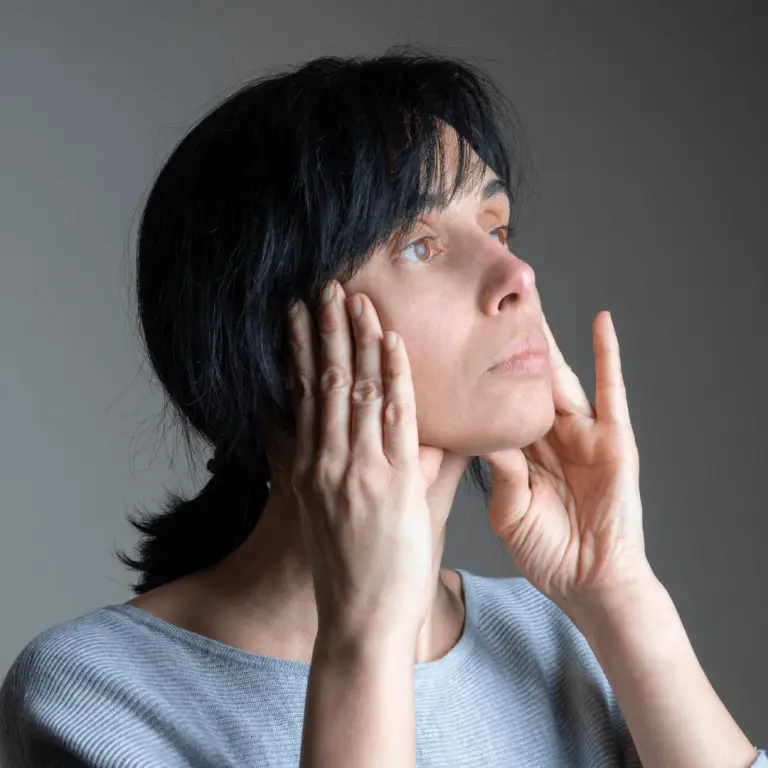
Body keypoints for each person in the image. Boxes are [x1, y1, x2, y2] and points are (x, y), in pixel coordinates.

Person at [0, 46, 764, 768]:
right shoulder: (99, 691)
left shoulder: (560, 637)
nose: (516, 274)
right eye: (418, 246)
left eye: (496, 227)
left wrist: (621, 590)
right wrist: (363, 638)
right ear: (278, 333)